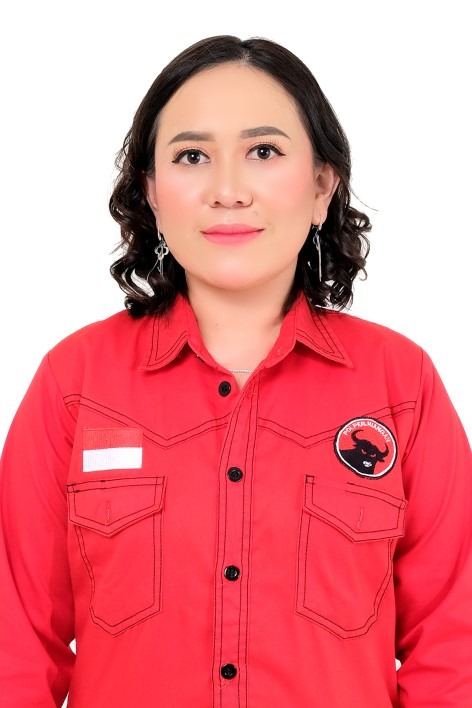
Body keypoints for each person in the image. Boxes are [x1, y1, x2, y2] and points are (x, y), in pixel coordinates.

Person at [0, 34, 470, 708]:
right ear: (151, 191)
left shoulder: (402, 384)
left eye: (264, 152)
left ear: (322, 187)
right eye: (192, 156)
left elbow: (454, 645)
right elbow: (15, 645)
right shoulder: (73, 384)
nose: (227, 191)